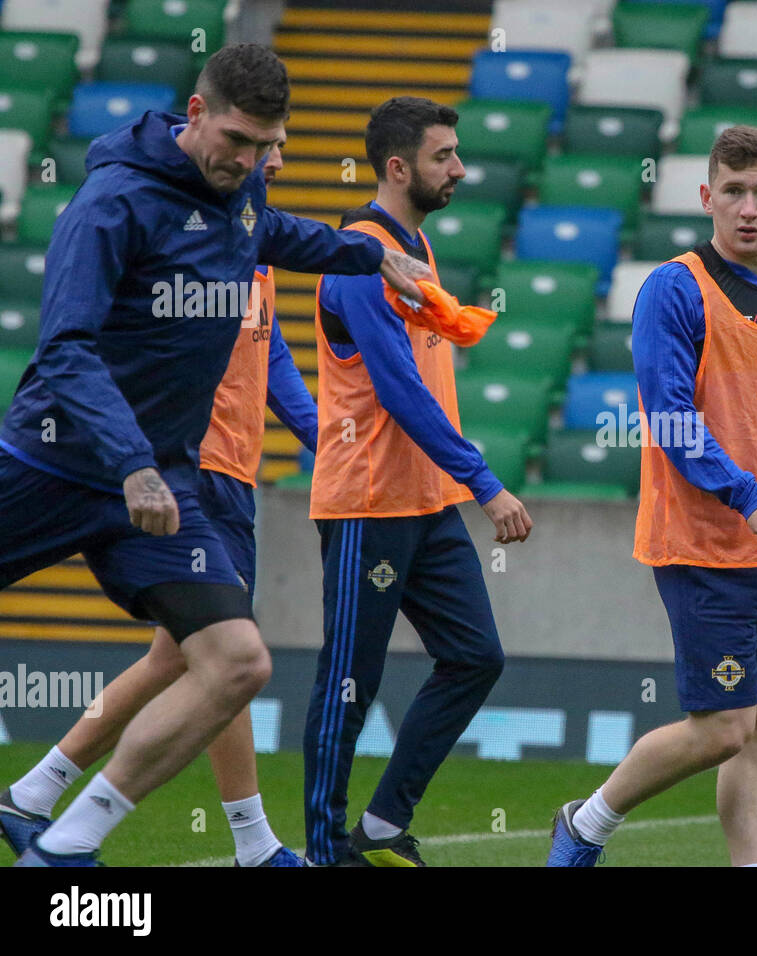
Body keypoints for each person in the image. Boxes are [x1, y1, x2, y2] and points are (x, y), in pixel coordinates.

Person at [0, 43, 430, 867]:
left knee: (237, 662)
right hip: (54, 463)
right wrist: (130, 461)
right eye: (237, 139)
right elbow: (66, 350)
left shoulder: (243, 190)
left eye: (267, 144)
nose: (250, 159)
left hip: (157, 482)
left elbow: (268, 233)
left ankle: (62, 844)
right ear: (195, 114)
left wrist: (371, 253)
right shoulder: (111, 202)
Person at [0, 143, 318, 868]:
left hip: (230, 467)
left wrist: (322, 437)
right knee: (218, 651)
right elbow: (75, 343)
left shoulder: (250, 243)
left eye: (280, 149)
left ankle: (34, 794)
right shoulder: (179, 230)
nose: (273, 162)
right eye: (261, 147)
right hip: (187, 464)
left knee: (187, 656)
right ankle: (251, 844)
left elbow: (269, 357)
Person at [547, 125, 757, 868]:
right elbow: (668, 418)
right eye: (732, 192)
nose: (747, 208)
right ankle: (587, 822)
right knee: (724, 727)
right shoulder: (674, 288)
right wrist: (749, 497)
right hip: (706, 542)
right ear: (706, 197)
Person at [302, 96, 532, 867]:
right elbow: (399, 391)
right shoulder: (360, 257)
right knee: (349, 681)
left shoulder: (410, 249)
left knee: (476, 656)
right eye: (444, 156)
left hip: (424, 499)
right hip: (370, 500)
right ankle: (325, 845)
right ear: (399, 168)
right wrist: (486, 482)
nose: (460, 169)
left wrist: (456, 481)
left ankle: (379, 823)